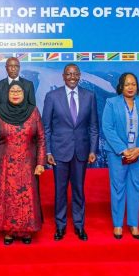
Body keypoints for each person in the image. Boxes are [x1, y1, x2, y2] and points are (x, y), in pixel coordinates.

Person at [42, 64, 98, 241]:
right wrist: (48, 151)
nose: (72, 77)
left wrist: (93, 149)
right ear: (63, 76)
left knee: (79, 190)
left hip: (81, 151)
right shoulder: (52, 96)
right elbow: (46, 127)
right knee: (60, 191)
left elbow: (93, 126)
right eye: (69, 74)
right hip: (59, 152)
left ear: (79, 76)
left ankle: (79, 225)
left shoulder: (90, 96)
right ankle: (60, 226)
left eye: (75, 74)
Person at [0, 83, 46, 245]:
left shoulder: (33, 112)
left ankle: (27, 230)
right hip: (5, 164)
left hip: (28, 164)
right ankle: (9, 231)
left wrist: (40, 162)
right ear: (6, 94)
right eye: (12, 91)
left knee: (26, 198)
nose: (15, 93)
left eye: (19, 91)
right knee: (8, 198)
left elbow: (41, 138)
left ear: (25, 93)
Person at [102, 73, 139, 239]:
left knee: (135, 187)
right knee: (118, 187)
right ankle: (118, 224)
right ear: (121, 87)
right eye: (127, 84)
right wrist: (123, 150)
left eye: (133, 84)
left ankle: (133, 223)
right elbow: (107, 128)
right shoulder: (111, 103)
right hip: (118, 154)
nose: (130, 87)